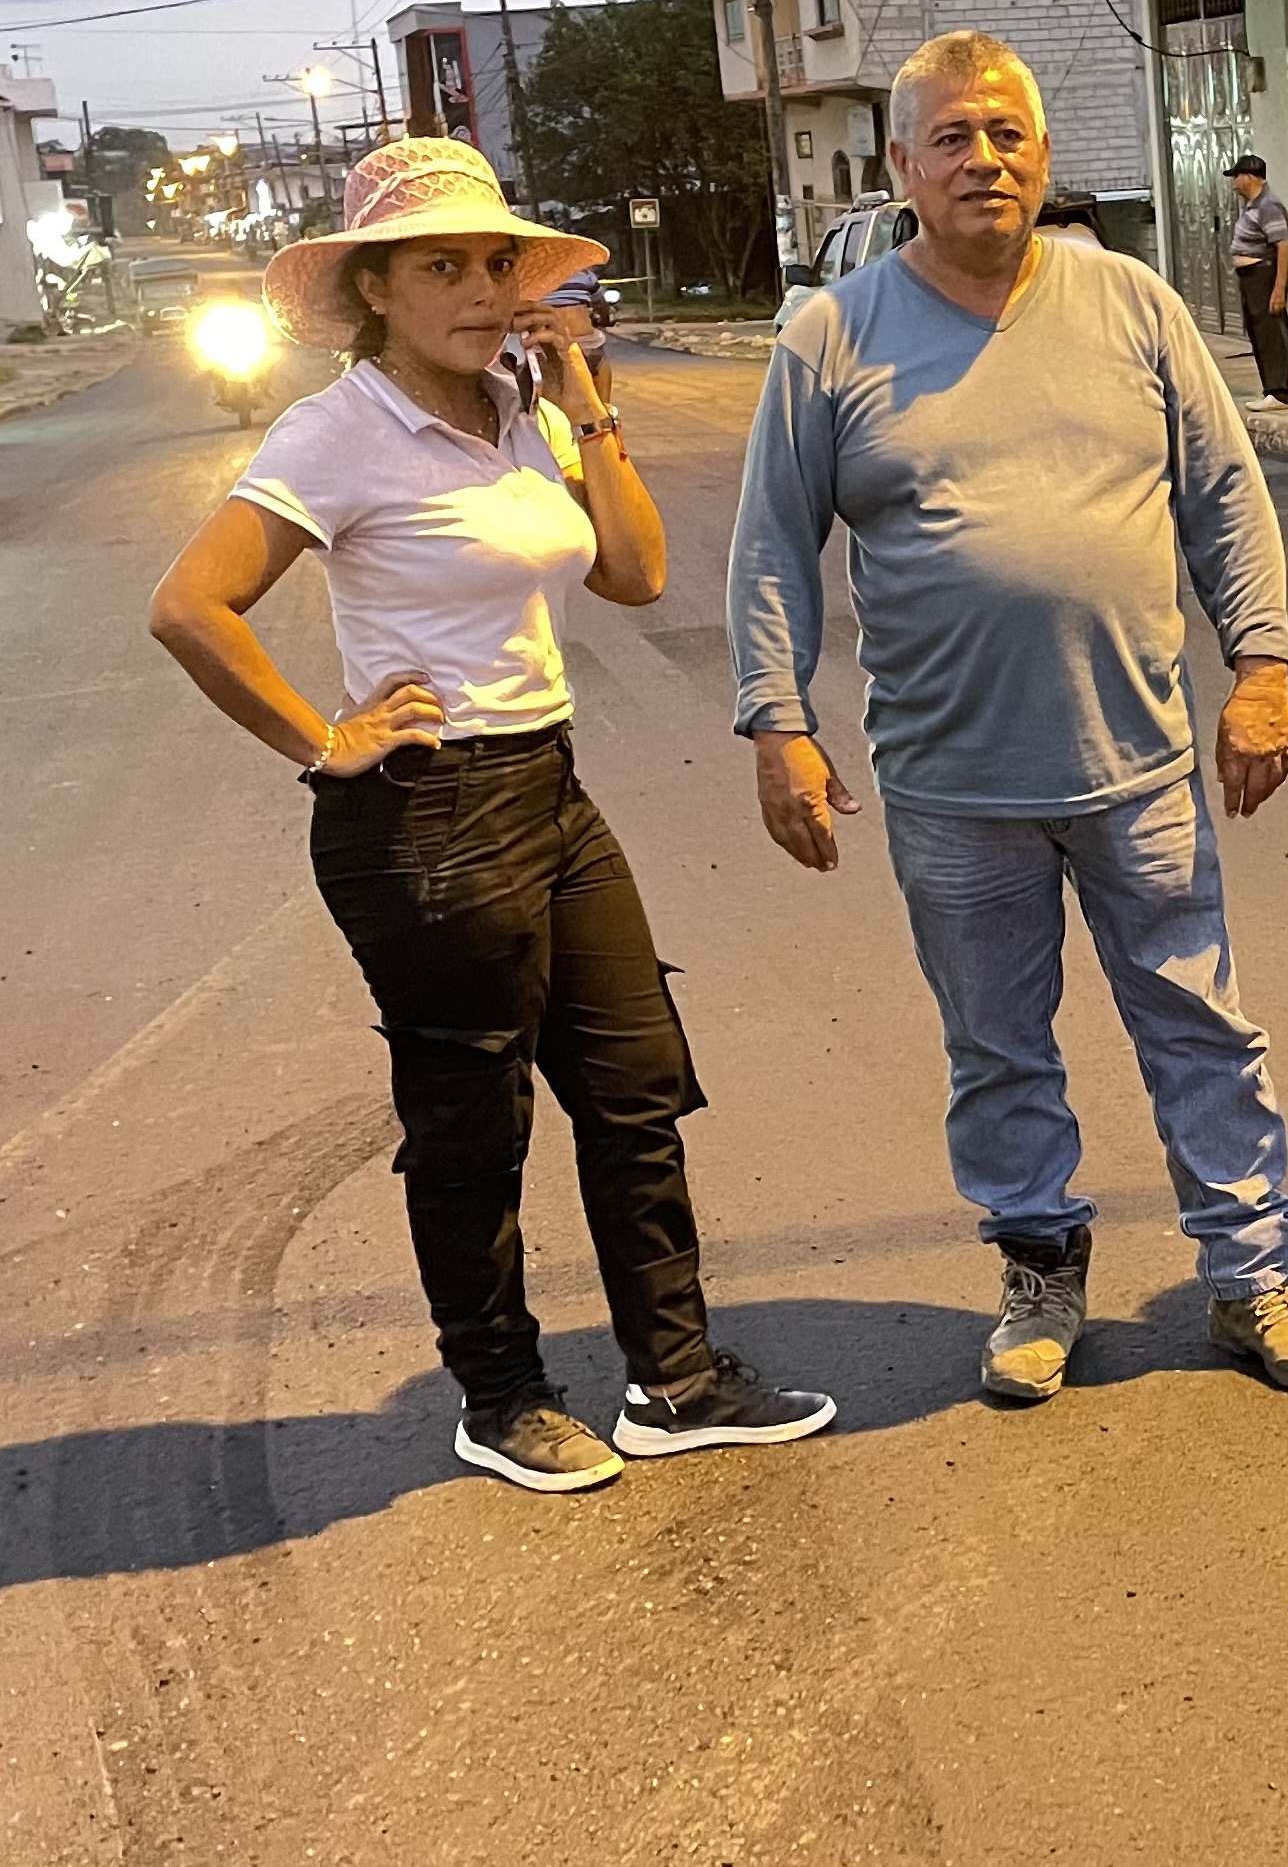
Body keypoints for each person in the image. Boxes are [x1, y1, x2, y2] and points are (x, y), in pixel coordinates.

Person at [148, 138, 836, 1492]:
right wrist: (324, 739)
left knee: (635, 1087)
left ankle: (676, 1381)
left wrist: (590, 413)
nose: (479, 290)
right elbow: (189, 606)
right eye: (441, 266)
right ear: (375, 290)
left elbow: (635, 574)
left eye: (494, 264)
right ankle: (501, 1395)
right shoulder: (338, 431)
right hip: (426, 817)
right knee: (472, 1124)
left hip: (549, 788)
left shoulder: (523, 410)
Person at [730, 32, 1288, 1404]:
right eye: (952, 138)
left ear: (1044, 154)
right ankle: (1037, 1272)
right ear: (903, 166)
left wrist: (1262, 666)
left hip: (1136, 765)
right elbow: (773, 543)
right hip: (951, 784)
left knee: (1201, 1029)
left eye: (1006, 134)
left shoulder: (1131, 303)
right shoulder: (832, 336)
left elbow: (1226, 497)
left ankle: (1251, 1279)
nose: (984, 160)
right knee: (996, 1047)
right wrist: (777, 723)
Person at [1224, 152, 1288, 409]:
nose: (1233, 183)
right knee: (1259, 333)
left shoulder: (1268, 206)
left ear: (1248, 177)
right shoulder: (1254, 206)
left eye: (1236, 177)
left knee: (1270, 333)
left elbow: (1283, 246)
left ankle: (1279, 392)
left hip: (1263, 275)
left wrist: (1279, 289)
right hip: (1251, 277)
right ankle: (1270, 390)